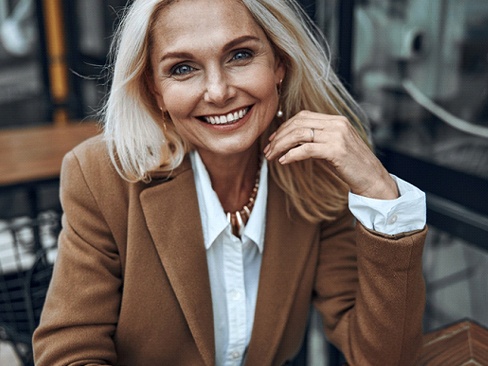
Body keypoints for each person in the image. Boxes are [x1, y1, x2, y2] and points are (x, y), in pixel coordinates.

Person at [33, 0, 427, 365]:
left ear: (280, 64)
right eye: (182, 68)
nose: (218, 91)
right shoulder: (102, 175)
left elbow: (383, 357)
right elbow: (69, 351)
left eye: (240, 55)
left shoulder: (315, 172)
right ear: (156, 91)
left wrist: (381, 196)